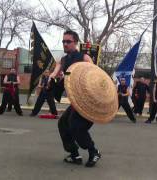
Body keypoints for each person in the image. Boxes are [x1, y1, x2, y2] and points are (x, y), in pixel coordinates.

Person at [49, 30, 101, 167]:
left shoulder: (85, 58)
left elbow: (94, 77)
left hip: (87, 100)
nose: (65, 44)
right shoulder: (64, 60)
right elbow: (56, 71)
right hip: (76, 102)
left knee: (76, 126)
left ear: (76, 43)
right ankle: (74, 154)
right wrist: (51, 78)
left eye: (68, 41)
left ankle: (93, 152)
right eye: (63, 41)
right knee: (63, 124)